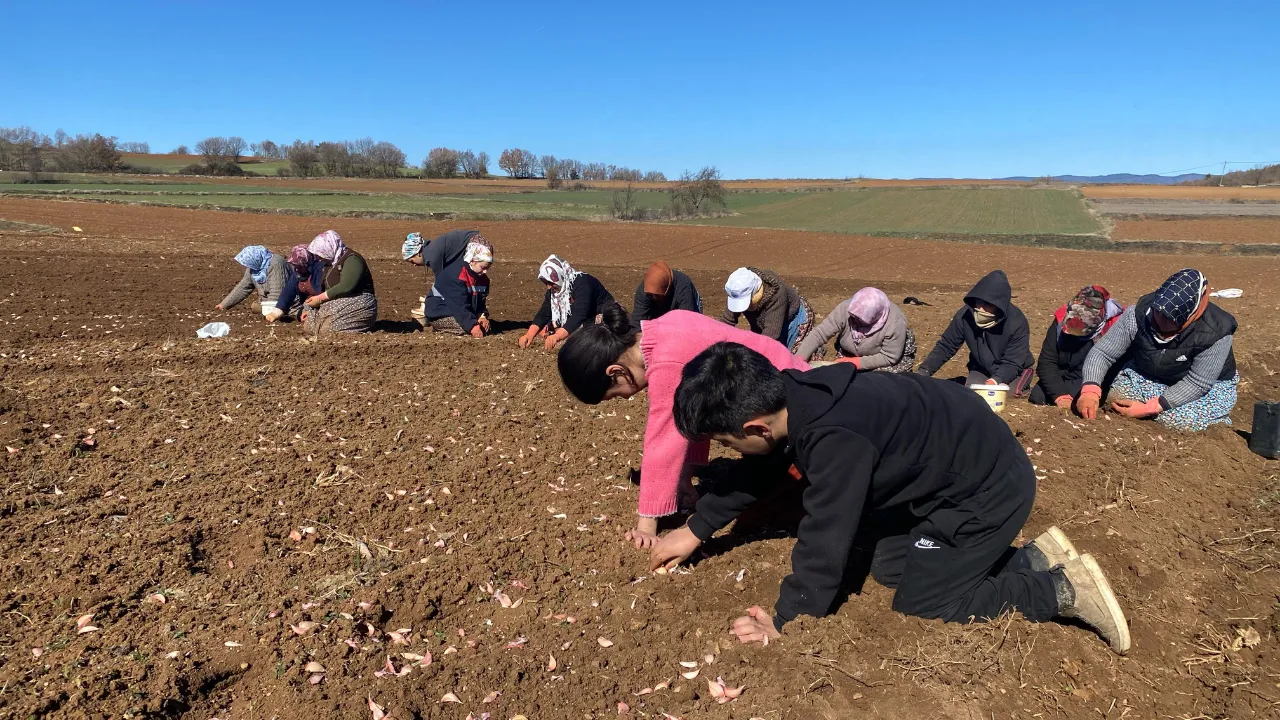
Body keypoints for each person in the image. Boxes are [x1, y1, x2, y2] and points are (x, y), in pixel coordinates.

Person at [652, 343, 1131, 653]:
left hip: (985, 492)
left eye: (728, 443)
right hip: (964, 472)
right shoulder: (794, 393)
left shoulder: (835, 439)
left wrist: (786, 619)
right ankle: (1030, 559)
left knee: (924, 601)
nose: (730, 453)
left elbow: (826, 536)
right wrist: (695, 530)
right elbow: (761, 466)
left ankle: (1062, 589)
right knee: (885, 562)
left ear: (755, 426)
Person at [557, 307, 810, 548]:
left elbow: (664, 442)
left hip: (791, 407)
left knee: (768, 510)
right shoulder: (665, 327)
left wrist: (647, 525)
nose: (623, 399)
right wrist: (685, 476)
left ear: (616, 372)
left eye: (613, 395)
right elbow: (696, 412)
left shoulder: (667, 363)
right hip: (791, 381)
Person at [1076, 269, 1238, 431]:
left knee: (1177, 421)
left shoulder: (1217, 332)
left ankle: (1217, 422)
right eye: (1157, 314)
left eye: (1170, 321)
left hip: (1205, 387)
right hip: (1152, 375)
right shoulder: (1137, 314)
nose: (1160, 321)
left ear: (1189, 316)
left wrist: (1148, 408)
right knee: (1118, 398)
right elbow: (1104, 353)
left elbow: (1197, 382)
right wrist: (1090, 389)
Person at [916, 270, 1035, 395]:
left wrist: (996, 380)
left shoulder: (1017, 322)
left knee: (1006, 393)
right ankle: (966, 381)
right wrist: (924, 371)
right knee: (974, 393)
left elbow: (1013, 362)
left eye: (987, 304)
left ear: (999, 305)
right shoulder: (965, 315)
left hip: (1015, 369)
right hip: (982, 367)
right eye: (979, 301)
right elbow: (947, 345)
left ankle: (1022, 385)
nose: (980, 308)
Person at [1029, 286, 1125, 408]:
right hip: (1062, 374)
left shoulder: (1115, 326)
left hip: (1090, 379)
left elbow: (1112, 370)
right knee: (1038, 395)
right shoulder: (1060, 321)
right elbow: (1046, 361)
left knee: (1079, 399)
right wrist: (1060, 395)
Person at [793, 287, 916, 371]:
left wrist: (856, 363)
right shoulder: (848, 308)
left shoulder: (894, 322)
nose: (855, 320)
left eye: (861, 320)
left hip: (884, 360)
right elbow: (820, 333)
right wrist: (798, 359)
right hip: (849, 355)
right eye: (853, 317)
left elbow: (889, 357)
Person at [519, 255, 619, 351]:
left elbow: (580, 314)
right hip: (586, 319)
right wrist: (529, 335)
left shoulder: (583, 283)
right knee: (552, 329)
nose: (548, 287)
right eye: (546, 283)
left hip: (606, 318)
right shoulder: (556, 290)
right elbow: (544, 312)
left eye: (550, 282)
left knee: (582, 340)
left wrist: (557, 337)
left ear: (558, 275)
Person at [720, 267, 814, 353]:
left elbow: (770, 338)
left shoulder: (777, 294)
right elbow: (727, 321)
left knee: (788, 361)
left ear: (755, 293)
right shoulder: (738, 286)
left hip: (792, 321)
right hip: (762, 325)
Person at [303, 230, 378, 334]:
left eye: (321, 254)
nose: (319, 258)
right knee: (310, 326)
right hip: (336, 302)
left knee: (328, 330)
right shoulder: (330, 263)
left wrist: (319, 299)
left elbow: (346, 286)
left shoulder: (352, 259)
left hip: (358, 300)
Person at [423, 239, 493, 337]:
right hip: (441, 312)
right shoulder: (456, 275)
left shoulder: (483, 280)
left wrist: (482, 316)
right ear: (472, 261)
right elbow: (458, 305)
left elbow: (481, 302)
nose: (485, 272)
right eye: (483, 267)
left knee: (485, 328)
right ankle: (438, 327)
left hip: (461, 311)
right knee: (466, 329)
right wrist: (473, 326)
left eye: (487, 268)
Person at [216, 245, 295, 323]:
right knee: (255, 307)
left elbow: (277, 291)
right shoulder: (254, 267)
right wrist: (224, 305)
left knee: (270, 312)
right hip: (267, 301)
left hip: (286, 301)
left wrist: (271, 312)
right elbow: (243, 287)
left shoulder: (276, 264)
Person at [630, 260, 702, 324]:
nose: (654, 298)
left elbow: (687, 320)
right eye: (651, 295)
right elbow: (638, 321)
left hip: (685, 312)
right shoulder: (644, 291)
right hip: (657, 311)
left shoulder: (683, 288)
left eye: (657, 295)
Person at [402, 229, 492, 274]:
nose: (414, 264)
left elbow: (442, 283)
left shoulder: (431, 256)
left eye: (412, 261)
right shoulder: (433, 248)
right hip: (483, 244)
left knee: (467, 278)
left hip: (478, 248)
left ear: (417, 253)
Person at [275, 244, 326, 320]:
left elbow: (322, 294)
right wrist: (278, 310)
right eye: (295, 265)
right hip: (307, 303)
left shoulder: (320, 270)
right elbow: (288, 291)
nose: (296, 268)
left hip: (321, 303)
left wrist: (311, 310)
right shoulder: (298, 273)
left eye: (299, 266)